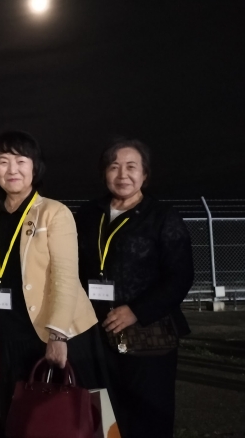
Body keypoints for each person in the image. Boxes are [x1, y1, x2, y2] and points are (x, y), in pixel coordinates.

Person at [0, 131, 101, 436]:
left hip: (55, 333)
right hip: (9, 336)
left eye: (21, 161)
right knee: (20, 418)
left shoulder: (53, 212)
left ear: (35, 167)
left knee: (72, 419)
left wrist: (58, 335)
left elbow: (66, 276)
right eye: (3, 161)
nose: (12, 169)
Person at [76, 138, 194, 438]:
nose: (122, 175)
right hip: (96, 335)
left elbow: (181, 277)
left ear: (145, 174)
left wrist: (136, 311)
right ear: (104, 172)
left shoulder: (162, 217)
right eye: (114, 167)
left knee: (148, 417)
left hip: (148, 338)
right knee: (104, 417)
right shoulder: (88, 215)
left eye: (131, 167)